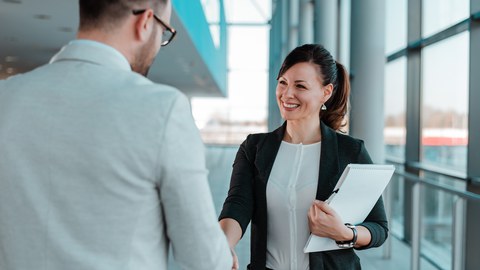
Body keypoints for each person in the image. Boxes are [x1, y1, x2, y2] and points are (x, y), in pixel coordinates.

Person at [0, 1, 232, 269]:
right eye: (164, 32)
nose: (159, 44)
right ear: (145, 23)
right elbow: (205, 259)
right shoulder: (162, 109)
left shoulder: (7, 97)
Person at [219, 44, 388, 270]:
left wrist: (346, 233)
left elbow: (378, 227)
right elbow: (237, 205)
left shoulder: (350, 151)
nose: (287, 94)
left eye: (300, 86)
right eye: (283, 83)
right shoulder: (255, 147)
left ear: (325, 93)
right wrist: (224, 246)